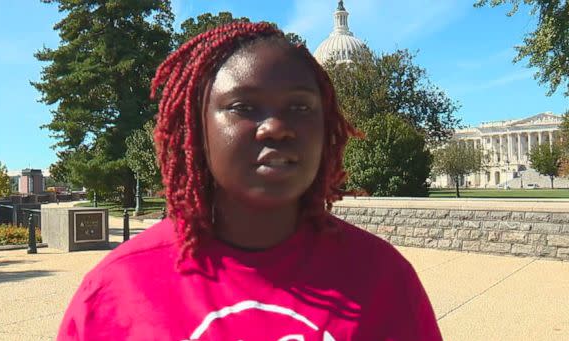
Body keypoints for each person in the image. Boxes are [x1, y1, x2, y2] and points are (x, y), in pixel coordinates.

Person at [57, 22, 442, 340]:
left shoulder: (383, 280)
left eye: (299, 107)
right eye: (243, 106)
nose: (276, 126)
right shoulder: (116, 290)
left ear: (327, 129)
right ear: (196, 126)